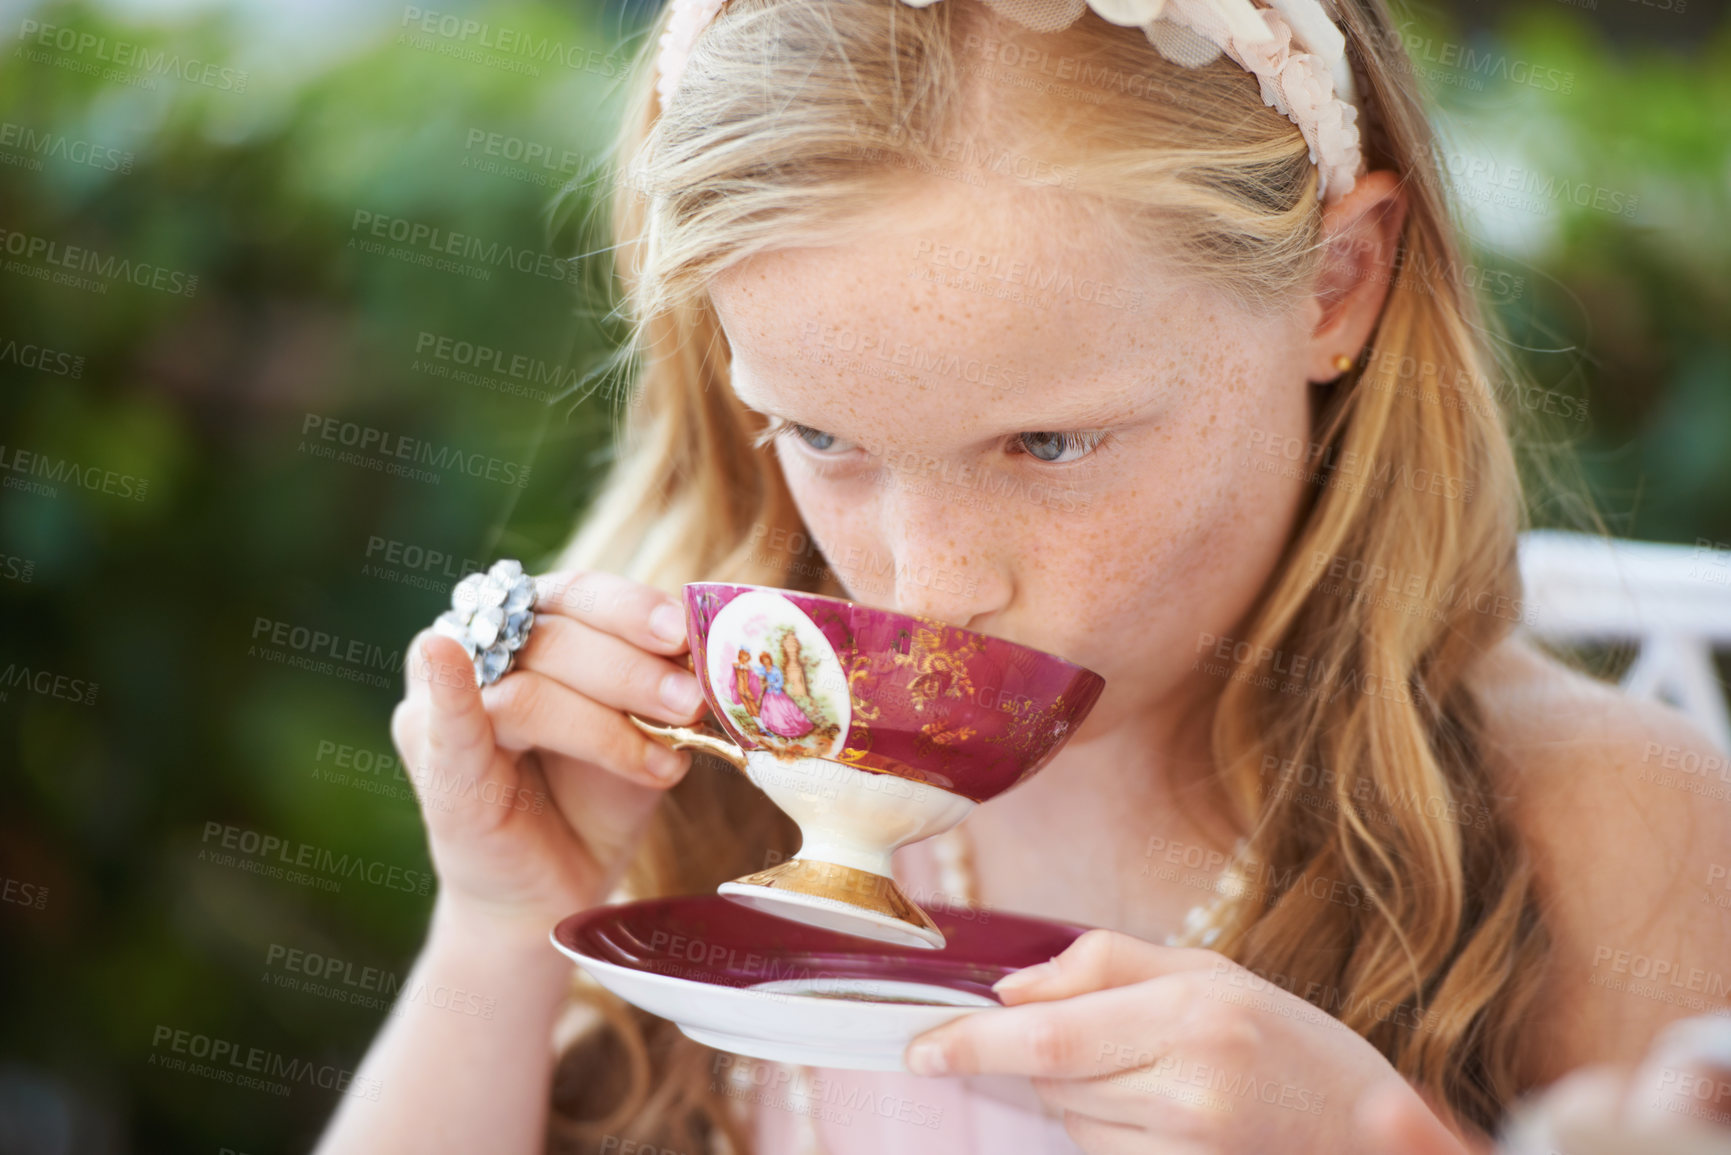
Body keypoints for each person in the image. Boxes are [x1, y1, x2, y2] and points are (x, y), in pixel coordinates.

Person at [314, 0, 1731, 1152]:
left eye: (1049, 442)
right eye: (824, 436)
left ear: (1336, 284)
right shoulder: (690, 792)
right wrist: (499, 935)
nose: (926, 594)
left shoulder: (1612, 838)